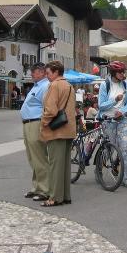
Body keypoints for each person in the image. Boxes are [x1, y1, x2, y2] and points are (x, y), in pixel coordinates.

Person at [40, 61, 76, 207]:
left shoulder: (54, 85)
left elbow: (51, 110)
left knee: (55, 165)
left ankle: (54, 197)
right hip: (68, 129)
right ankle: (65, 195)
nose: (47, 76)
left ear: (55, 72)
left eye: (48, 73)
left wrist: (43, 122)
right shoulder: (69, 86)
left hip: (57, 130)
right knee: (65, 166)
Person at [98, 60, 127, 188]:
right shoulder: (105, 85)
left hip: (122, 119)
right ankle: (100, 171)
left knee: (125, 149)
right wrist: (114, 100)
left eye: (123, 72)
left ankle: (124, 177)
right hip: (108, 120)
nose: (122, 74)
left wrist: (122, 111)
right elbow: (101, 105)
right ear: (113, 72)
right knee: (109, 149)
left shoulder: (125, 85)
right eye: (120, 72)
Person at [20, 62, 50, 201]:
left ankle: (45, 189)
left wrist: (43, 126)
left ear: (43, 72)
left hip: (36, 123)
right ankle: (36, 187)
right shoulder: (37, 86)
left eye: (35, 71)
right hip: (28, 123)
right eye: (32, 71)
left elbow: (47, 108)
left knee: (39, 157)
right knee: (32, 158)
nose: (32, 73)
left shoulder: (45, 86)